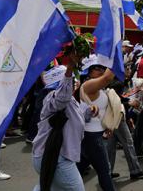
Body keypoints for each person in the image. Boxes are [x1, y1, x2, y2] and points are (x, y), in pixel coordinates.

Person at [32, 53, 98, 190]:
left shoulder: (69, 99)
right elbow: (63, 97)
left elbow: (77, 116)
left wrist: (89, 111)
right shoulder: (53, 97)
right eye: (71, 79)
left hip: (53, 156)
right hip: (56, 157)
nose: (74, 81)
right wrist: (69, 70)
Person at [76, 55, 118, 191]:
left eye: (102, 67)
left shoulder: (97, 86)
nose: (101, 70)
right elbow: (108, 77)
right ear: (88, 71)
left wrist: (107, 126)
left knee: (77, 170)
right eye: (96, 68)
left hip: (93, 135)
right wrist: (115, 54)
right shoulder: (88, 85)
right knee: (104, 172)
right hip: (92, 137)